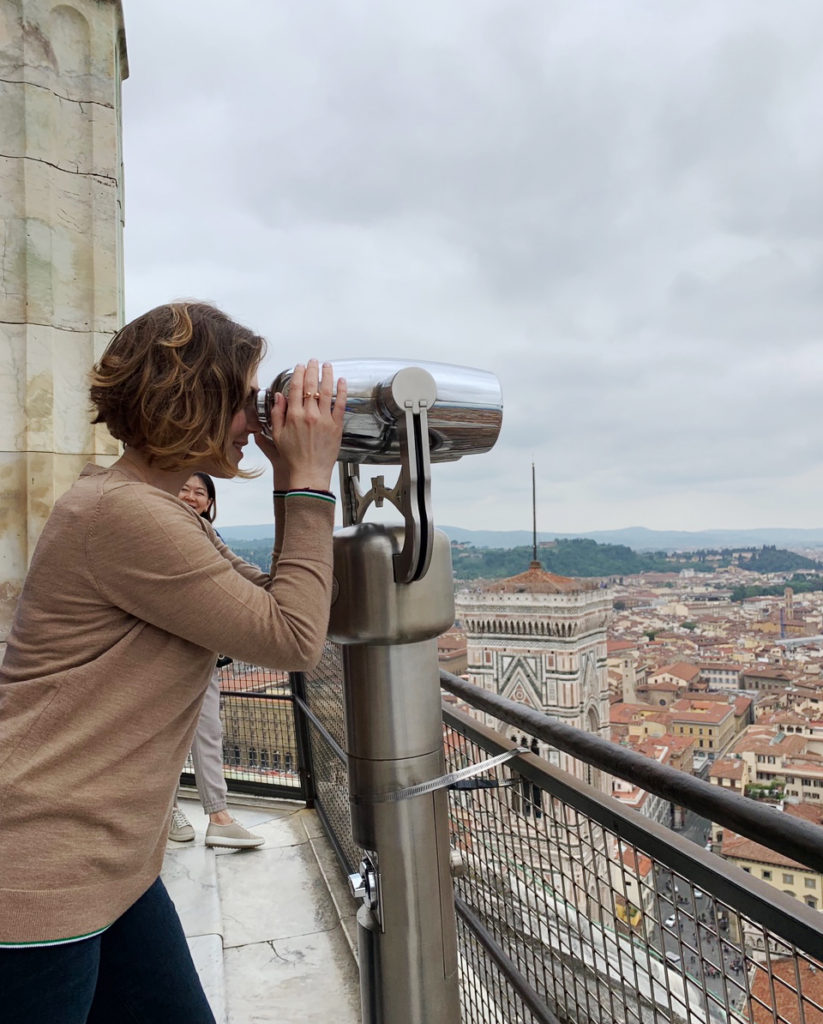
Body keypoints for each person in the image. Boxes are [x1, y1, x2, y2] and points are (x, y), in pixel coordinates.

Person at [0, 301, 346, 1023]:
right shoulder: (124, 514)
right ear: (200, 398)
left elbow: (278, 604)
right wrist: (306, 479)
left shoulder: (151, 510)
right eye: (248, 400)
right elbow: (290, 637)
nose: (257, 421)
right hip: (41, 866)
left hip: (113, 860)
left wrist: (300, 479)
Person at [170, 471, 263, 849]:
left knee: (208, 732)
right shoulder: (164, 532)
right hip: (166, 649)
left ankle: (218, 815)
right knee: (167, 735)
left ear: (209, 502)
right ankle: (168, 810)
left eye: (200, 492)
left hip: (200, 649)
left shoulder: (212, 538)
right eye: (185, 489)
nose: (192, 497)